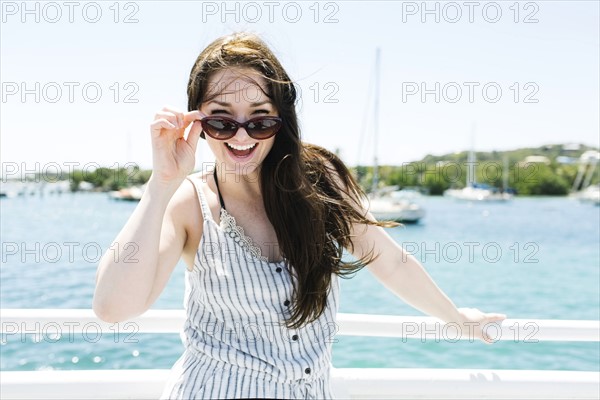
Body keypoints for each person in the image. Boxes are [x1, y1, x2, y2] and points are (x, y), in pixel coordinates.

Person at [93, 32, 506, 399]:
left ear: (282, 117)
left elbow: (388, 260)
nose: (240, 135)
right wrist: (161, 183)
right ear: (197, 121)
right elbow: (114, 307)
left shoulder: (320, 179)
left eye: (260, 119)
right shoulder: (189, 204)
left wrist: (455, 318)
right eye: (221, 120)